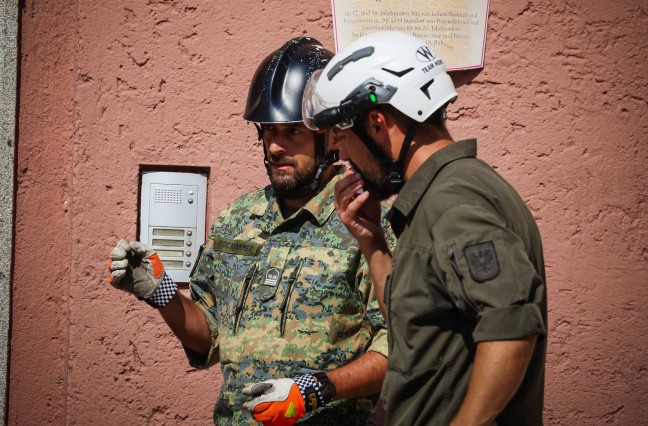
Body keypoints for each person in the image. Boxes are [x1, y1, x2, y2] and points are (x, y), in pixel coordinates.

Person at [108, 37, 391, 426]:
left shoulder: (366, 220)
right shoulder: (238, 218)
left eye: (292, 131)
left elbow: (398, 347)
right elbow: (208, 338)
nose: (274, 147)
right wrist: (162, 292)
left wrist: (315, 389)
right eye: (267, 131)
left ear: (331, 137)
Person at [302, 31, 548, 426]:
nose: (342, 155)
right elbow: (414, 326)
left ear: (377, 124)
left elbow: (512, 324)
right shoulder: (447, 193)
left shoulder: (452, 203)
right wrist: (373, 244)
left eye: (344, 138)